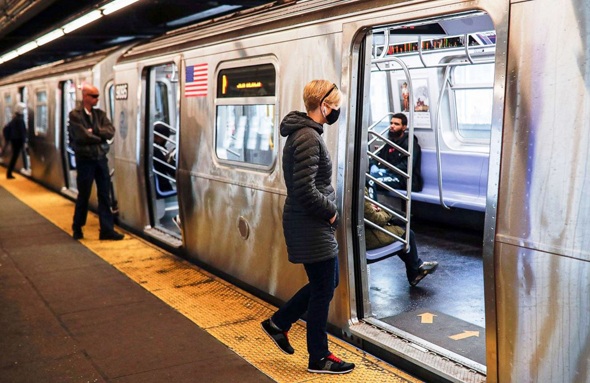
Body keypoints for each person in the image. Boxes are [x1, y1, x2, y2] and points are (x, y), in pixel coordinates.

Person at [261, 80, 355, 374]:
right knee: (324, 288)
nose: (337, 110)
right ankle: (319, 357)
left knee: (325, 283)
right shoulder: (308, 137)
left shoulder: (306, 133)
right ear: (323, 106)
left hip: (309, 223)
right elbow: (304, 188)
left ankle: (279, 323)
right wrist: (330, 213)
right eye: (335, 105)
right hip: (311, 223)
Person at [69, 84, 124, 241]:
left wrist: (96, 132)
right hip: (85, 160)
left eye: (98, 96)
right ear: (85, 96)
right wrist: (99, 136)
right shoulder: (75, 115)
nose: (97, 99)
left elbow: (110, 131)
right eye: (94, 96)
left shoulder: (100, 114)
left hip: (100, 159)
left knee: (104, 195)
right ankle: (77, 227)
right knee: (84, 195)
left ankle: (106, 230)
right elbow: (81, 136)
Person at [364, 188, 438, 286]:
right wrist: (386, 212)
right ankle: (415, 272)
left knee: (400, 227)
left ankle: (416, 267)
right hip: (365, 236)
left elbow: (368, 211)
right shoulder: (358, 187)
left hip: (364, 230)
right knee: (407, 233)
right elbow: (375, 218)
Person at [369, 112, 423, 192]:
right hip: (390, 175)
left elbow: (407, 165)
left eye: (396, 124)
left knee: (372, 181)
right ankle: (371, 204)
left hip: (404, 179)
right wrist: (373, 165)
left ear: (404, 127)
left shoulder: (410, 144)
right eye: (391, 123)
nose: (392, 126)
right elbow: (377, 157)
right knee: (363, 179)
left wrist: (386, 170)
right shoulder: (390, 143)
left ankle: (372, 205)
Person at [3, 102, 27, 179]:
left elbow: (6, 128)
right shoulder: (19, 120)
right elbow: (22, 131)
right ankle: (9, 173)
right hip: (18, 141)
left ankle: (9, 173)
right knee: (14, 157)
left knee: (14, 156)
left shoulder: (14, 118)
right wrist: (24, 141)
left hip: (14, 140)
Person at [152, 123, 176, 198]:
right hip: (163, 188)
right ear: (159, 137)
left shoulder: (155, 148)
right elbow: (170, 170)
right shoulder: (156, 150)